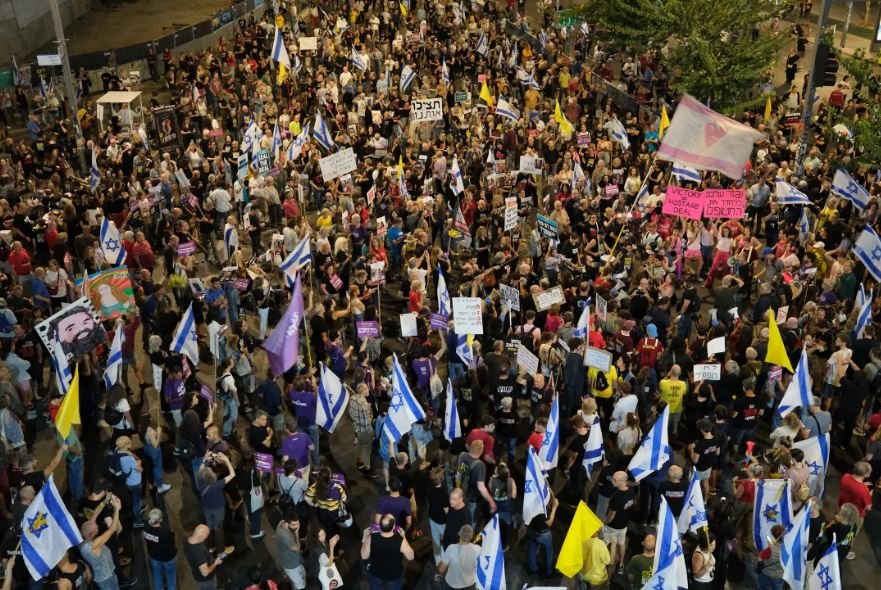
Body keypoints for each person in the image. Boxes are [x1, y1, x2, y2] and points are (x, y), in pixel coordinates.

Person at [360, 514, 415, 590]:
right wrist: (404, 537)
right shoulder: (400, 541)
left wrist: (364, 538)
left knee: (375, 587)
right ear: (393, 527)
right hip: (393, 574)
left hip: (376, 572)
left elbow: (364, 556)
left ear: (380, 526)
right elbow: (411, 556)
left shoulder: (372, 537)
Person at [604, 471, 635, 574]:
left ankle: (606, 565)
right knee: (621, 544)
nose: (612, 481)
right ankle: (621, 564)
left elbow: (611, 516)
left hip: (612, 526)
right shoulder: (631, 491)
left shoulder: (616, 497)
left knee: (606, 545)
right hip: (624, 524)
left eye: (615, 480)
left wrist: (604, 522)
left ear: (622, 481)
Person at [183, 524, 232, 590]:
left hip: (196, 574)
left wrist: (207, 553)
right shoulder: (198, 552)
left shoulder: (187, 540)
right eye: (206, 536)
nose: (206, 537)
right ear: (200, 536)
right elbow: (205, 573)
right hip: (206, 581)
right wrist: (215, 563)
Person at [435, 524, 480, 589]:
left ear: (459, 534)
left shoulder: (451, 548)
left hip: (452, 585)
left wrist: (438, 574)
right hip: (470, 584)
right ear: (472, 536)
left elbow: (441, 569)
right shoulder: (478, 549)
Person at [143, 508, 177, 590]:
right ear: (160, 519)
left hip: (154, 556)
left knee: (157, 575)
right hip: (168, 558)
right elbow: (173, 540)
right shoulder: (165, 532)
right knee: (171, 577)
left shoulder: (145, 527)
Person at [276, 513, 306, 590]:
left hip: (287, 560)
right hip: (292, 565)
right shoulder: (286, 536)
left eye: (298, 523)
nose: (297, 526)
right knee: (299, 585)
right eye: (294, 524)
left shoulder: (281, 523)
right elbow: (297, 548)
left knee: (294, 581)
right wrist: (296, 533)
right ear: (287, 524)